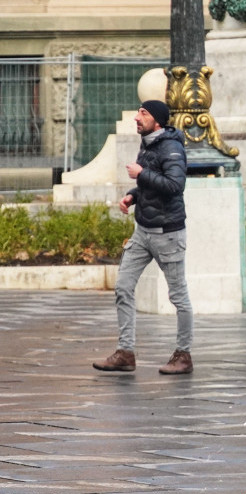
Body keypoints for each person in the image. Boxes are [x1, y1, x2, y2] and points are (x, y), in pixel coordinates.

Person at [93, 100, 194, 375]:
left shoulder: (172, 147)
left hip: (168, 234)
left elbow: (175, 186)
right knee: (123, 287)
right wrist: (133, 195)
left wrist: (142, 174)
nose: (137, 117)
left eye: (144, 113)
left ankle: (183, 355)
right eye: (138, 111)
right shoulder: (148, 144)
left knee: (179, 297)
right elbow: (151, 185)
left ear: (157, 121)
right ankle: (125, 353)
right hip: (142, 232)